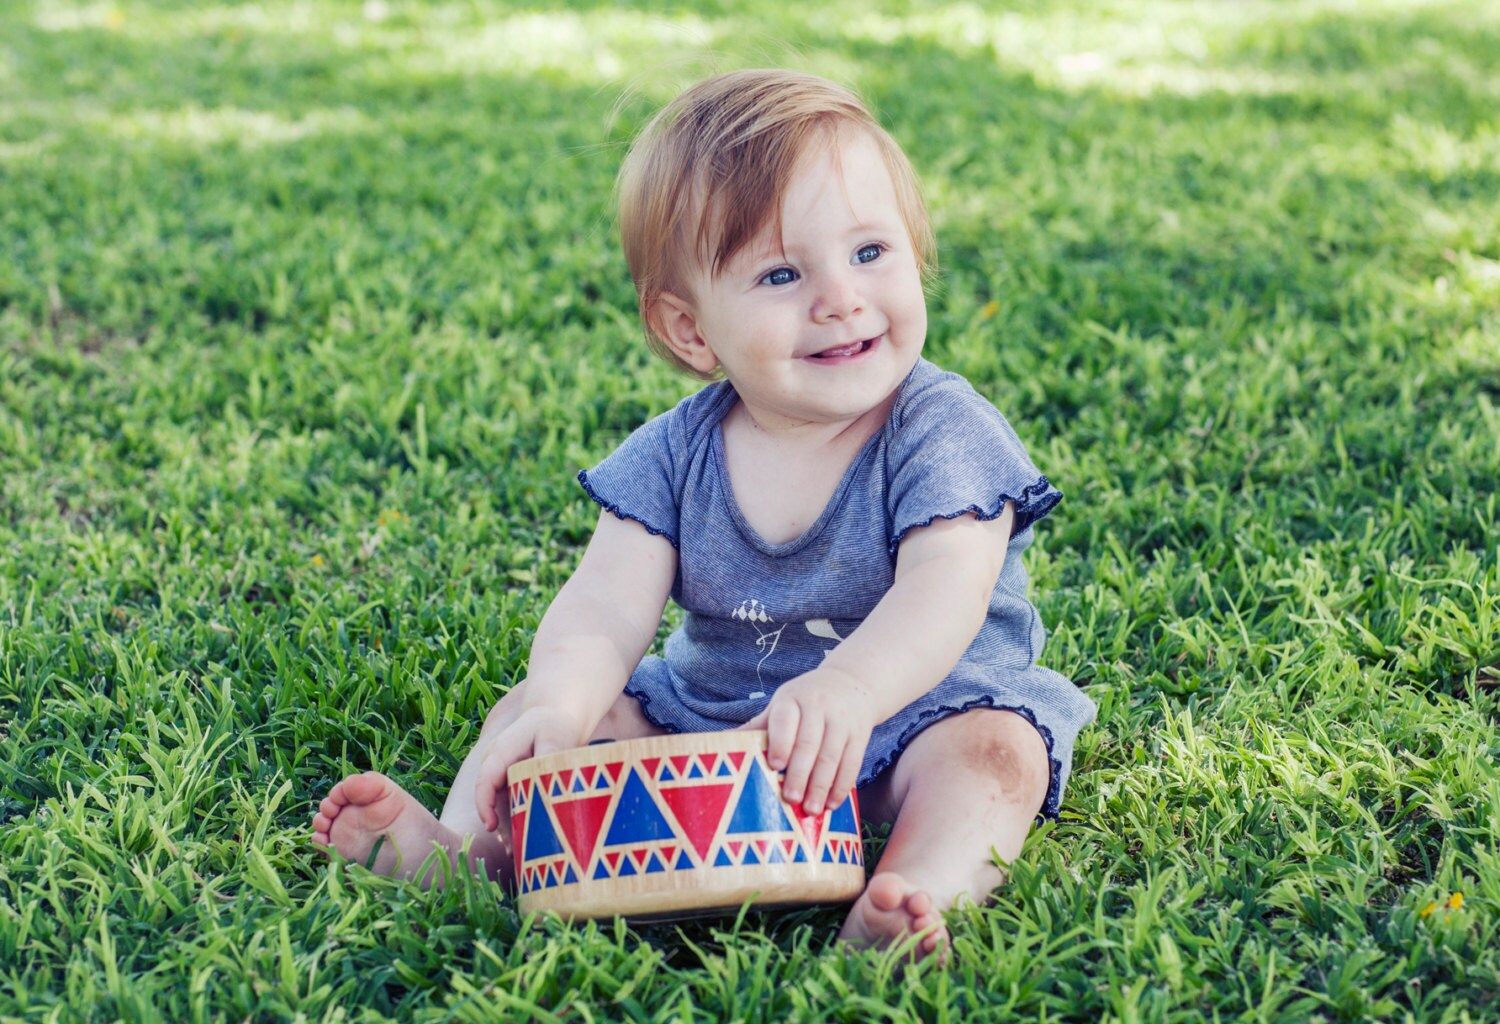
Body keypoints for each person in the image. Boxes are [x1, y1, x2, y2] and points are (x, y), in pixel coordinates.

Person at [312, 68, 1096, 959]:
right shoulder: (676, 454)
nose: (839, 296)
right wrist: (565, 709)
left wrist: (850, 690)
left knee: (996, 757)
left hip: (916, 711)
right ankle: (468, 860)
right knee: (536, 714)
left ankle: (912, 895)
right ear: (691, 331)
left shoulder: (941, 428)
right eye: (781, 272)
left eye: (870, 253)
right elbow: (605, 606)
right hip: (716, 723)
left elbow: (945, 589)